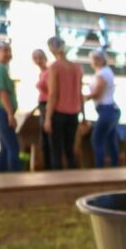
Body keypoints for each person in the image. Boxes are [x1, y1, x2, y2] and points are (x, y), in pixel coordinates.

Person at [44, 36, 83, 170]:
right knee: (70, 149)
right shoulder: (77, 67)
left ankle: (57, 181)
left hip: (58, 113)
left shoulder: (54, 66)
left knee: (56, 150)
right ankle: (72, 180)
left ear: (51, 49)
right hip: (74, 113)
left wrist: (48, 117)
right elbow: (79, 92)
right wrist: (82, 114)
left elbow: (53, 93)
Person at [87, 50, 119, 168]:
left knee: (97, 140)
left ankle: (100, 169)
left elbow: (97, 93)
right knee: (110, 140)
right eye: (93, 59)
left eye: (97, 59)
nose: (95, 61)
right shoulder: (103, 72)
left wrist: (83, 97)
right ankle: (115, 167)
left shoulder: (103, 74)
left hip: (107, 109)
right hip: (108, 110)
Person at [0, 41, 20, 172]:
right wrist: (10, 114)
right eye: (5, 51)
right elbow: (2, 93)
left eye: (9, 51)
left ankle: (0, 177)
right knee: (13, 147)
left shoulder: (1, 68)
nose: (9, 54)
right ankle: (16, 179)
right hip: (3, 111)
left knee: (5, 148)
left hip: (1, 111)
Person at [32, 49, 52, 169]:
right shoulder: (42, 73)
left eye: (40, 57)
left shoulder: (49, 72)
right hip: (42, 105)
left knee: (47, 137)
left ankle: (50, 166)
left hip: (47, 106)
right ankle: (47, 164)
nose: (38, 60)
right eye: (35, 58)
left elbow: (51, 93)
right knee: (43, 138)